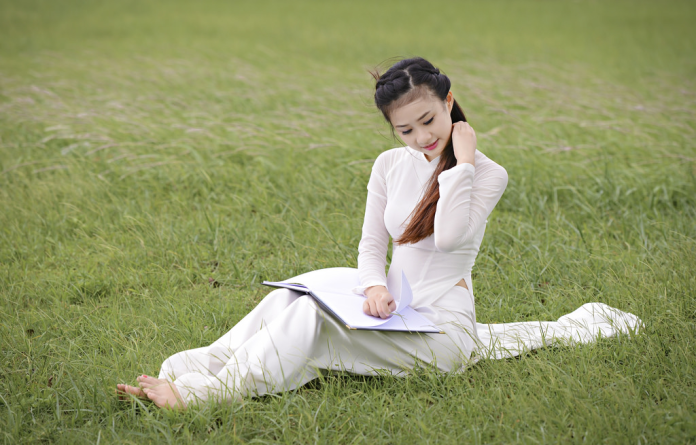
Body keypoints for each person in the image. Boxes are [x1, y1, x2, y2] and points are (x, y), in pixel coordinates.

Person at [115, 57, 640, 409]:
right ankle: (197, 366)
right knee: (300, 295)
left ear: (450, 102)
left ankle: (205, 395)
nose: (422, 138)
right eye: (405, 129)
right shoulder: (390, 164)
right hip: (394, 305)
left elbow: (453, 238)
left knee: (313, 323)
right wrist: (373, 287)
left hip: (442, 331)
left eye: (430, 121)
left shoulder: (487, 173)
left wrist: (463, 161)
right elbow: (371, 245)